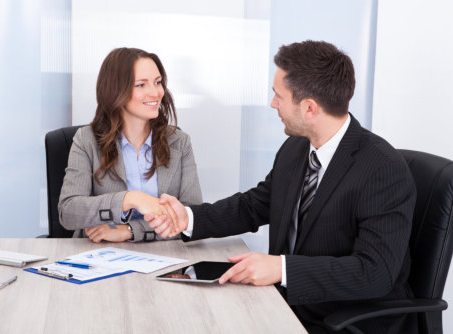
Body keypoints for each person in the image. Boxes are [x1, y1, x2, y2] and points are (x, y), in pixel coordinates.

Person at [146, 41, 417, 333]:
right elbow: (255, 205)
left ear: (310, 107)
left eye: (279, 96)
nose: (273, 103)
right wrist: (190, 218)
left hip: (346, 319)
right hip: (283, 304)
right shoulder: (296, 148)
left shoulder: (382, 169)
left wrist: (281, 268)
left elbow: (375, 272)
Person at [59, 47, 202, 243]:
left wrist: (130, 230)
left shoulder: (179, 142)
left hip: (166, 258)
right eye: (141, 85)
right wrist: (130, 199)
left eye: (157, 82)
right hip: (100, 256)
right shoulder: (87, 140)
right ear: (115, 90)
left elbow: (190, 217)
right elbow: (69, 212)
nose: (155, 92)